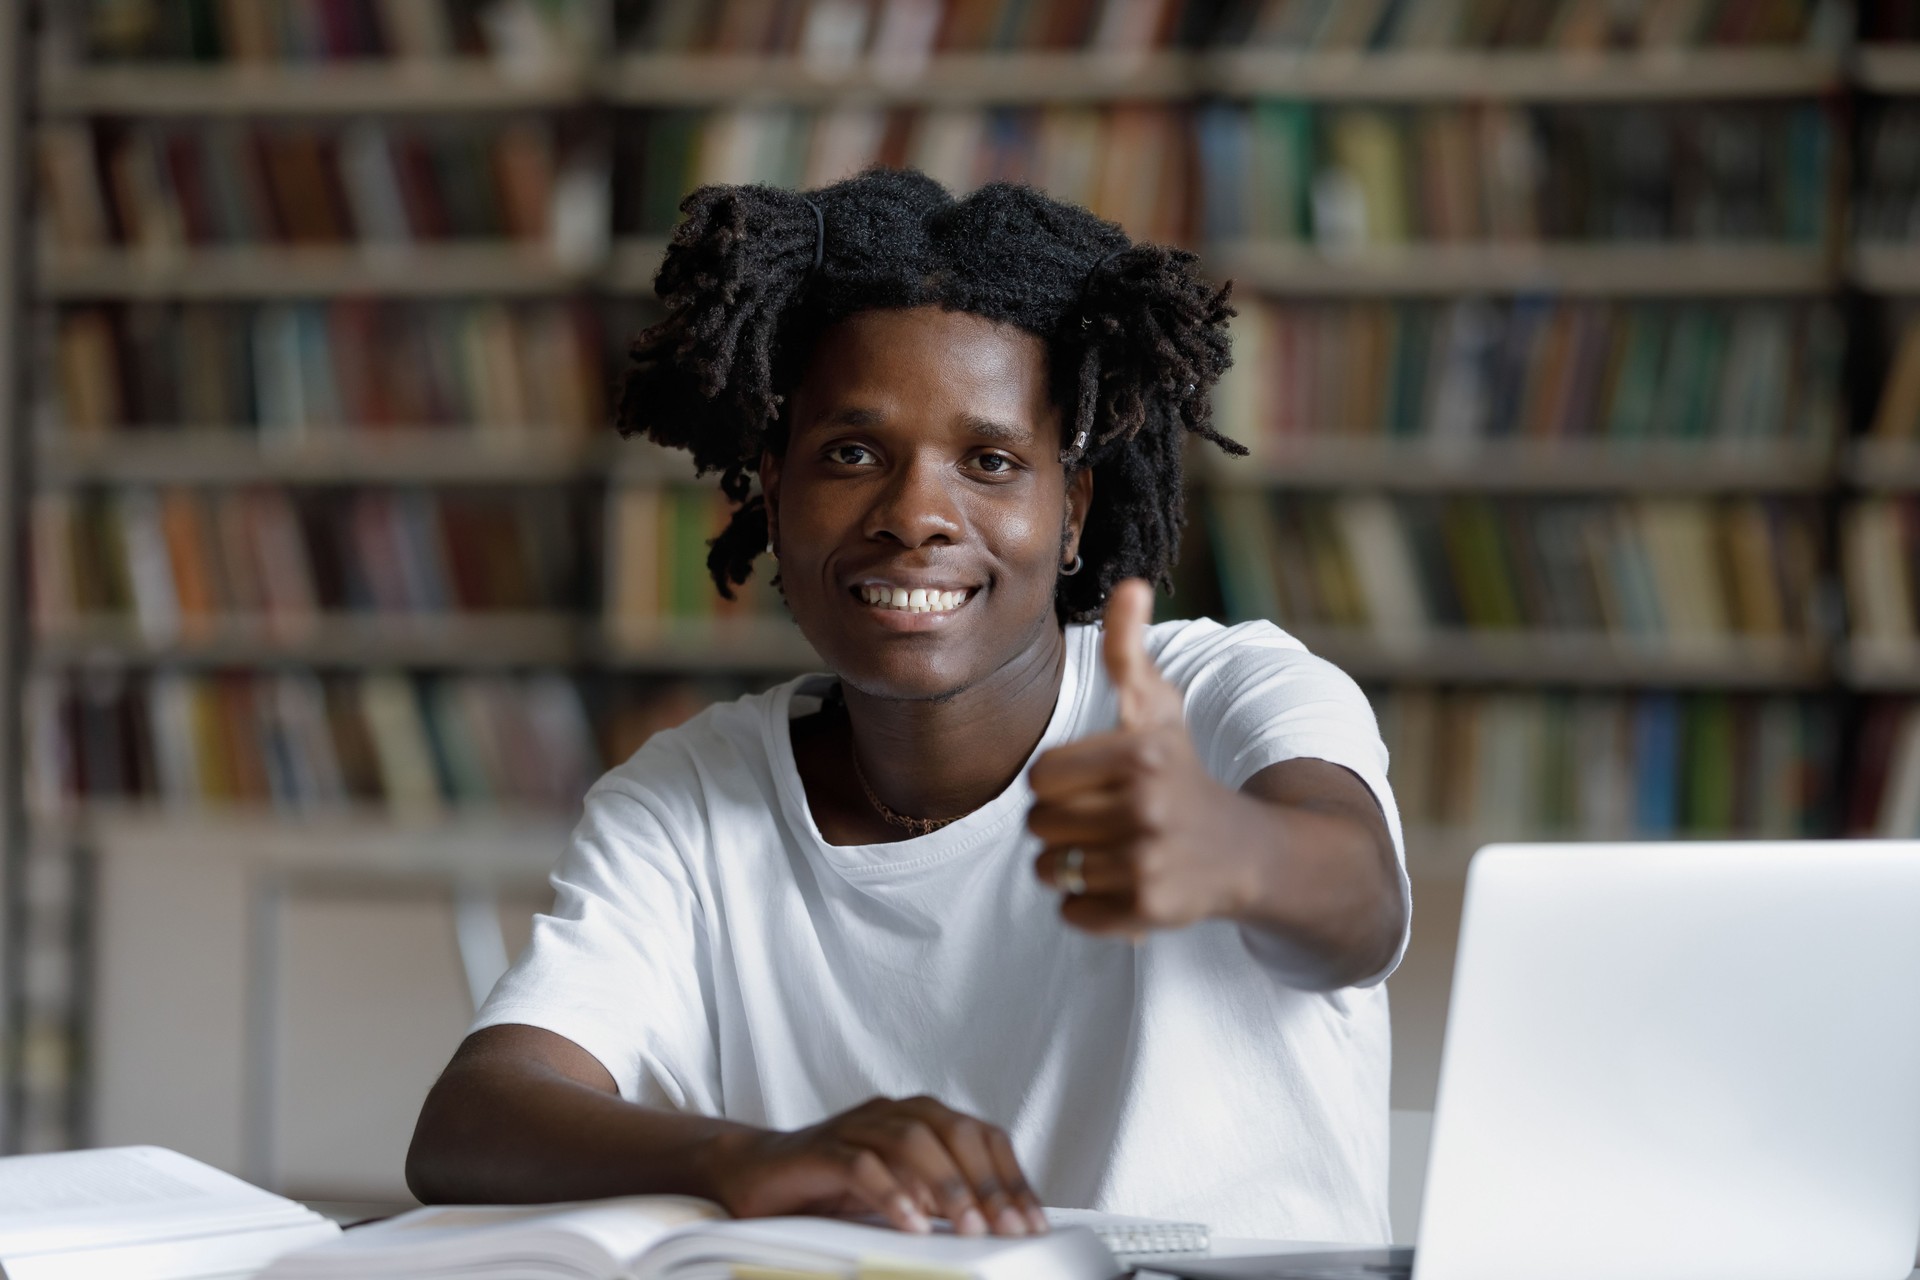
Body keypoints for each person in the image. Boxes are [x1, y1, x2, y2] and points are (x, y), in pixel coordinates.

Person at [406, 169, 1410, 1244]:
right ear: (773, 486)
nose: (917, 513)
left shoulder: (1227, 694)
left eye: (989, 460)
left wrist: (1239, 849)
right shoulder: (692, 797)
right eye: (851, 453)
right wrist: (740, 1154)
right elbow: (469, 1122)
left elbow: (1361, 913)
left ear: (1070, 509)